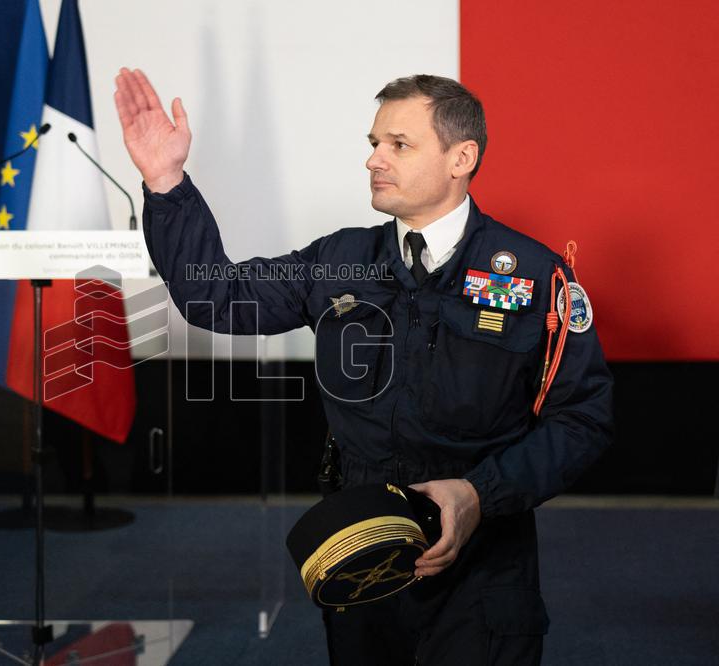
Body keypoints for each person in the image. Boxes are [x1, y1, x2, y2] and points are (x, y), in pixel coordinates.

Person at [113, 68, 613, 665]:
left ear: (462, 158)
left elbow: (581, 418)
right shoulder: (339, 258)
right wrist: (167, 184)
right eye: (373, 144)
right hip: (362, 551)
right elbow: (215, 297)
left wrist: (477, 495)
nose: (374, 160)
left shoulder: (534, 275)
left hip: (485, 560)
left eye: (398, 145)